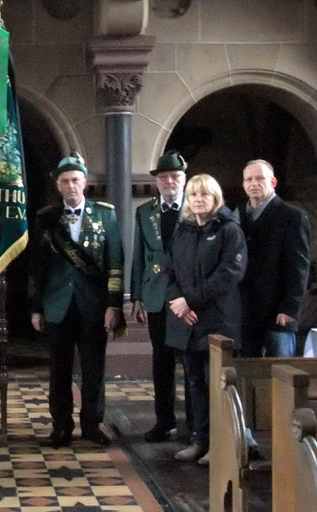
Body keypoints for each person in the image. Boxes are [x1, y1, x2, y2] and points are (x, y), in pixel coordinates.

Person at [28, 152, 124, 448]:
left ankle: (92, 425)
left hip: (94, 306)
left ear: (85, 183)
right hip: (57, 305)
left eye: (76, 180)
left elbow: (115, 262)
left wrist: (114, 304)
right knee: (59, 370)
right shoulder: (46, 218)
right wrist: (35, 307)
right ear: (58, 185)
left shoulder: (105, 215)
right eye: (65, 181)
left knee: (94, 369)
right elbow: (36, 267)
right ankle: (60, 426)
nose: (71, 186)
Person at [165, 174, 247, 463]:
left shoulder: (229, 230)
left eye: (204, 195)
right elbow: (170, 269)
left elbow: (229, 274)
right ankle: (199, 440)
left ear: (216, 199)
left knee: (218, 388)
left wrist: (191, 300)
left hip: (218, 322)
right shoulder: (184, 230)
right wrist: (178, 303)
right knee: (194, 385)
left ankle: (221, 445)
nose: (198, 200)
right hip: (187, 323)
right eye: (193, 195)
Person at [130, 150, 189, 442]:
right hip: (155, 294)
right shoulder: (145, 211)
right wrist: (137, 296)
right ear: (156, 181)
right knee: (161, 361)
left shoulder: (196, 206)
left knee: (190, 361)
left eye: (175, 176)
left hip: (187, 296)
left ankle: (194, 423)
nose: (169, 182)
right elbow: (139, 256)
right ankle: (164, 420)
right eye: (163, 177)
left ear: (184, 179)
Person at [239, 159, 310, 357]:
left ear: (273, 182)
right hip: (246, 313)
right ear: (244, 184)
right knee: (247, 375)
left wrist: (290, 308)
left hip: (278, 314)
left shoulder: (293, 216)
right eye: (249, 179)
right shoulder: (238, 216)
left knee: (280, 376)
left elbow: (299, 267)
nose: (254, 183)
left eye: (260, 178)